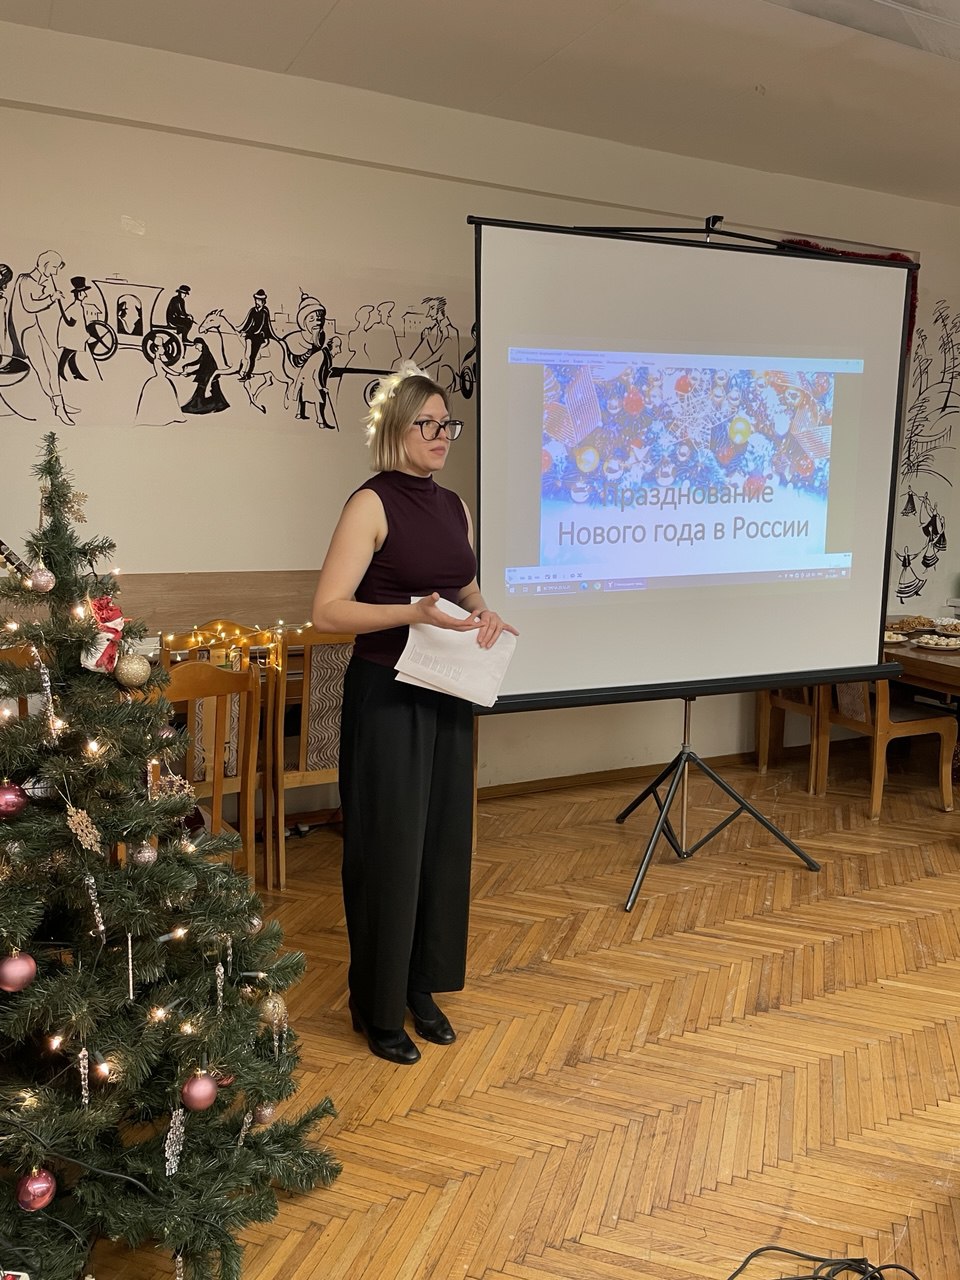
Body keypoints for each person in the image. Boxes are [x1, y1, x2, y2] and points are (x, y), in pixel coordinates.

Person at [311, 364, 517, 1065]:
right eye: (426, 423)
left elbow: (464, 586)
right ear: (396, 430)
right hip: (388, 697)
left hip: (447, 689)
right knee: (388, 851)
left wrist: (485, 613)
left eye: (446, 423)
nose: (440, 434)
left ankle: (420, 986)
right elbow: (328, 611)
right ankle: (376, 1005)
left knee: (440, 846)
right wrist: (411, 613)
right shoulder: (369, 504)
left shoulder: (455, 506)